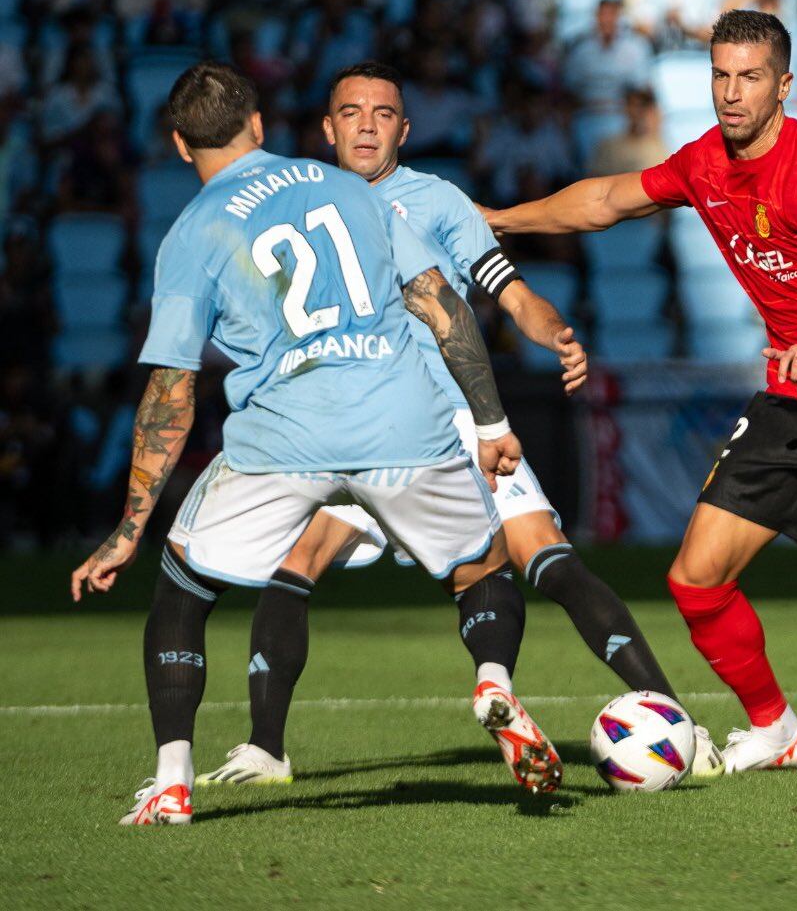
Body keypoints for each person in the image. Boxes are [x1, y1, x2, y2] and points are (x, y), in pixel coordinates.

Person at [195, 61, 723, 785]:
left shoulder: (435, 200)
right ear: (328, 127)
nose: (368, 125)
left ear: (405, 130)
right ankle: (274, 743)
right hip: (359, 422)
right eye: (352, 112)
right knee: (308, 563)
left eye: (383, 113)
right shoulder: (299, 204)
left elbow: (510, 290)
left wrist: (554, 329)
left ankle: (663, 717)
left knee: (544, 557)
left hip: (441, 416)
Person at [487, 10, 797, 774]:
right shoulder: (703, 163)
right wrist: (498, 219)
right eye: (719, 75)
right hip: (796, 389)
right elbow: (606, 199)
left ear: (783, 84)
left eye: (748, 77)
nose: (730, 92)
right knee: (694, 578)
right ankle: (777, 728)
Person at [68, 62, 559, 825]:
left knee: (182, 589)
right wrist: (492, 423)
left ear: (177, 143)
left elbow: (171, 391)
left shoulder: (192, 235)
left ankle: (172, 780)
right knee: (483, 572)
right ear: (258, 125)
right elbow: (441, 306)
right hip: (402, 421)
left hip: (283, 437)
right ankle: (492, 678)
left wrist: (129, 530)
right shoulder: (347, 189)